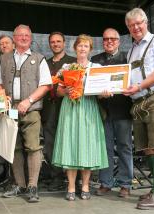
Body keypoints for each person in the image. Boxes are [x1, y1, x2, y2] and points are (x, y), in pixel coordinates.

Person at [0, 24, 52, 203]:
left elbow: (46, 85)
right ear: (14, 37)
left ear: (31, 37)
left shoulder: (39, 58)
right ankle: (19, 184)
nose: (24, 38)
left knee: (33, 147)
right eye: (20, 35)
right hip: (10, 111)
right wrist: (1, 102)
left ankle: (33, 187)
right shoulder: (3, 58)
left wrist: (29, 101)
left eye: (27, 35)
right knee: (15, 148)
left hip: (31, 110)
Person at [52, 34, 108, 201]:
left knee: (87, 145)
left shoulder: (96, 67)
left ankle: (85, 185)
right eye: (80, 45)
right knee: (71, 144)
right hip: (70, 108)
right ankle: (70, 186)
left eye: (86, 46)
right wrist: (66, 91)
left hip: (89, 108)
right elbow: (58, 91)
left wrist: (104, 93)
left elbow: (101, 93)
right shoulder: (67, 66)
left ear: (90, 49)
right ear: (75, 48)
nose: (82, 49)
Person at [124, 8, 154, 210]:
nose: (135, 27)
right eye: (131, 26)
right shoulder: (131, 49)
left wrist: (139, 86)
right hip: (138, 102)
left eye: (138, 23)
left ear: (146, 22)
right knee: (148, 146)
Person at [91, 28, 133, 198]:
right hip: (104, 112)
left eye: (112, 39)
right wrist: (98, 93)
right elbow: (92, 85)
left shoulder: (127, 58)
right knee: (105, 149)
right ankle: (105, 183)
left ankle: (125, 184)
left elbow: (133, 82)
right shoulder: (95, 60)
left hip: (123, 111)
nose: (109, 41)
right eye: (106, 39)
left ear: (119, 41)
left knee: (124, 147)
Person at [41, 31, 75, 191]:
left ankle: (75, 179)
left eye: (58, 41)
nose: (55, 44)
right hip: (49, 109)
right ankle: (56, 178)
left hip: (68, 108)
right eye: (53, 42)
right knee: (50, 145)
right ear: (50, 44)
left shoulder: (73, 62)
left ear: (64, 43)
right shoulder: (44, 64)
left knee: (70, 142)